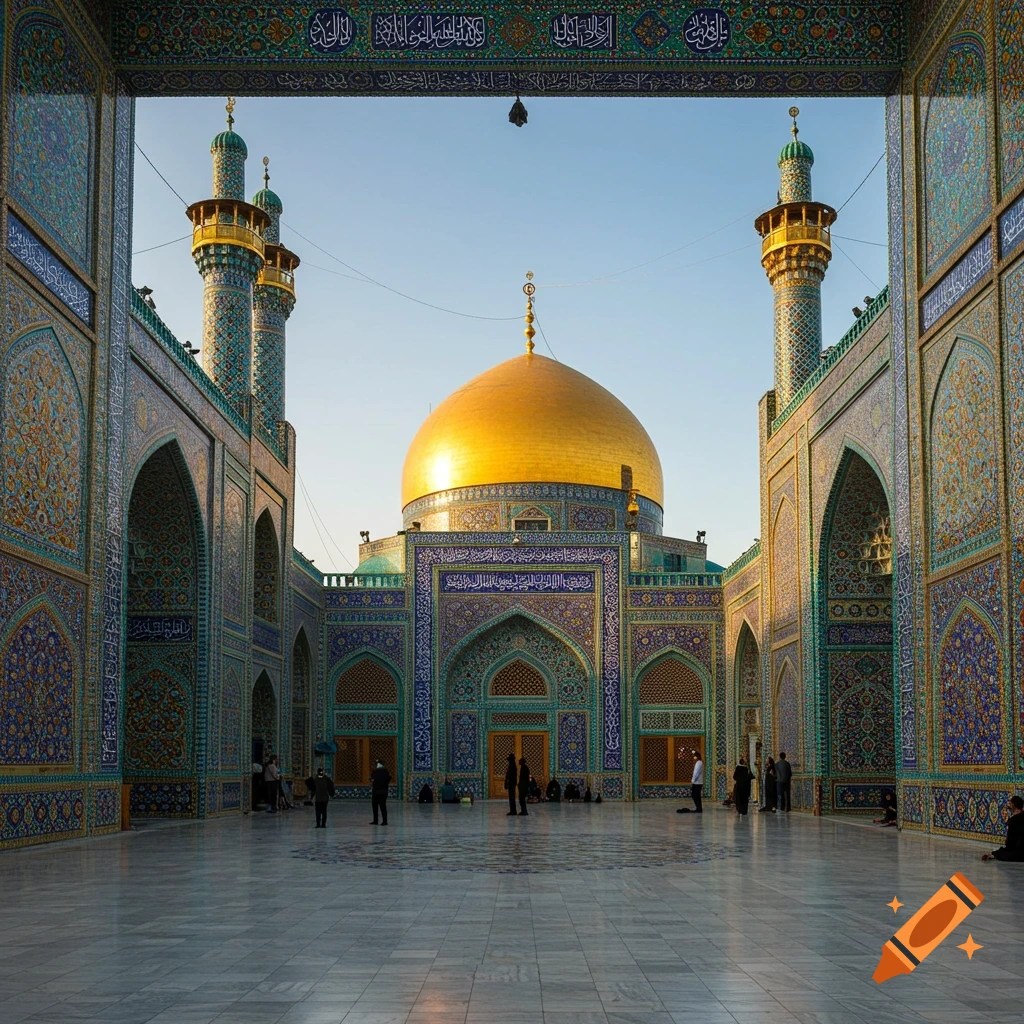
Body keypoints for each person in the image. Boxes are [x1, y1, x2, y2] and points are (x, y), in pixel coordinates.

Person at [982, 795, 1024, 861]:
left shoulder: (1013, 820)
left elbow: (1010, 843)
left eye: (1010, 803)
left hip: (1018, 852)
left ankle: (993, 855)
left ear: (1013, 805)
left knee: (1002, 852)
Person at [677, 749, 703, 813]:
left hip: (697, 783)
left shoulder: (699, 763)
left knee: (695, 795)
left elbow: (696, 773)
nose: (693, 757)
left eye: (694, 756)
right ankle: (698, 808)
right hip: (697, 782)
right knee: (696, 795)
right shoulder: (698, 763)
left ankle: (699, 808)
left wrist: (693, 780)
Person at [370, 760, 391, 825]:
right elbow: (389, 778)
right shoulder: (386, 771)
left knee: (375, 806)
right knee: (383, 806)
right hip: (383, 791)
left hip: (376, 791)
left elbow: (371, 779)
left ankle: (375, 820)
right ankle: (384, 821)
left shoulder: (375, 771)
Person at [505, 751, 518, 816]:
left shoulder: (512, 765)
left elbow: (511, 776)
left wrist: (508, 783)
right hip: (511, 783)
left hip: (511, 784)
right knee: (511, 797)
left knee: (512, 797)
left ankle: (513, 811)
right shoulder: (512, 765)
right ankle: (512, 810)